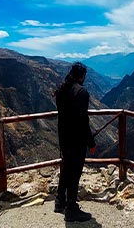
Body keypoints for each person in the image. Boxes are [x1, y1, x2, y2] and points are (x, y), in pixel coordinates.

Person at [54, 62, 96, 222]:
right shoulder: (81, 93)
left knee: (66, 168)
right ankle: (71, 209)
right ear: (82, 76)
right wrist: (91, 142)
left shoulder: (61, 91)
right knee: (75, 172)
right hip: (76, 140)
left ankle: (60, 201)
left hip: (63, 137)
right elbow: (82, 121)